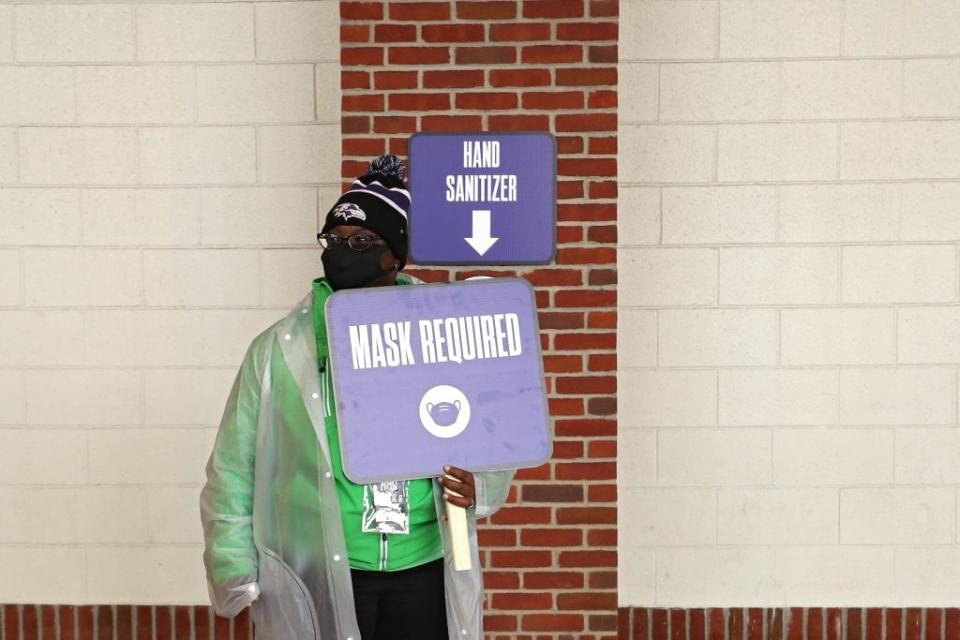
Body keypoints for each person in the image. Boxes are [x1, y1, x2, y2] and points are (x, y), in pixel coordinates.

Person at [199, 154, 515, 640]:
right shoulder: (279, 351)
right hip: (322, 569)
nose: (344, 251)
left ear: (396, 255)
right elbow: (233, 467)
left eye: (363, 242)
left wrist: (482, 487)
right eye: (336, 240)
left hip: (426, 564)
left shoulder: (444, 334)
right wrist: (233, 564)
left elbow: (491, 430)